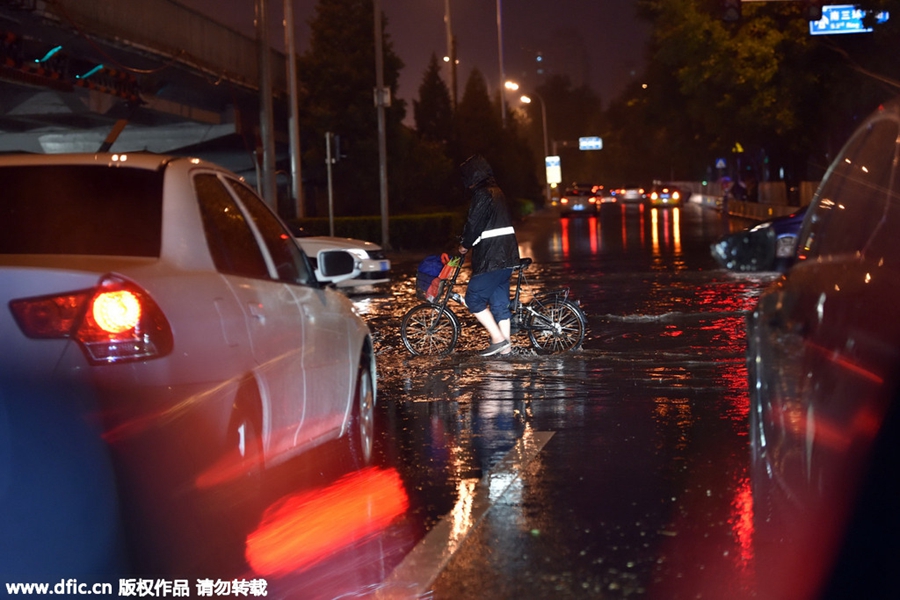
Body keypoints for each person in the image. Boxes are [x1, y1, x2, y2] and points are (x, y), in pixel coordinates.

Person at [457, 154, 520, 357]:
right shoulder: (498, 192)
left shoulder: (482, 194)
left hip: (491, 258)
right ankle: (506, 349)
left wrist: (464, 245)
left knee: (474, 298)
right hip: (508, 257)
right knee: (500, 305)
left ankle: (498, 340)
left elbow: (474, 224)